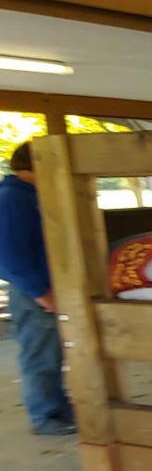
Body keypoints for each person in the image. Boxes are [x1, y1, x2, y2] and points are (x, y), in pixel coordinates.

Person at [0, 141, 75, 436]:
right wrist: (41, 292)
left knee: (52, 351)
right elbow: (9, 254)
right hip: (34, 289)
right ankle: (46, 415)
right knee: (40, 353)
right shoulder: (12, 199)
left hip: (44, 285)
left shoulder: (29, 196)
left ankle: (57, 406)